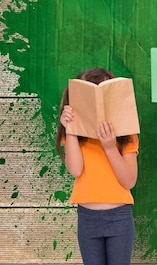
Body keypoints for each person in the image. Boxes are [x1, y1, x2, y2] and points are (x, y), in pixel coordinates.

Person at [55, 67, 139, 265]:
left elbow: (129, 181)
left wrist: (110, 147)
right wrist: (71, 130)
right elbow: (75, 170)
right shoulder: (75, 137)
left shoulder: (127, 135)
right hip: (87, 217)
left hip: (119, 217)